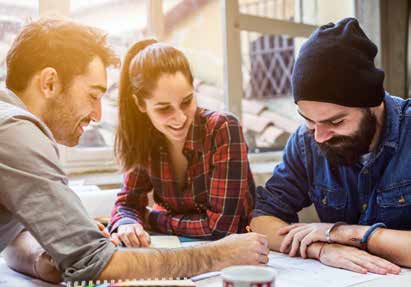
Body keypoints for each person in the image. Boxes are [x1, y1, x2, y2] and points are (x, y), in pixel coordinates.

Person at [0, 18, 269, 284]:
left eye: (186, 101)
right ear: (49, 83)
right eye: (93, 95)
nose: (97, 114)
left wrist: (62, 243)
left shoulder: (10, 124)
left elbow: (14, 237)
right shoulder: (16, 132)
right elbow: (92, 260)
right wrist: (218, 255)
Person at [250, 17, 411, 275]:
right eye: (309, 121)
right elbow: (260, 220)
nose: (320, 137)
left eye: (335, 121)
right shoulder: (305, 142)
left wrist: (344, 234)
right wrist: (321, 249)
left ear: (372, 102)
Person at [107, 39, 255, 246]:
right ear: (141, 104)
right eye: (164, 108)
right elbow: (126, 204)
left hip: (237, 250)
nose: (180, 117)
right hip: (179, 249)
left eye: (186, 101)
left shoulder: (223, 128)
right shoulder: (144, 138)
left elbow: (221, 228)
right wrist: (126, 224)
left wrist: (151, 218)